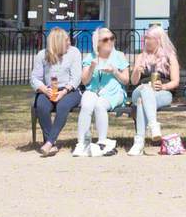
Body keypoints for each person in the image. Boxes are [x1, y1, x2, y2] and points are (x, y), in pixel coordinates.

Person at [74, 27, 129, 157]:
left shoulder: (119, 56)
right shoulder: (90, 57)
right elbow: (85, 81)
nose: (110, 41)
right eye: (105, 39)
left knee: (99, 105)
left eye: (112, 38)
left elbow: (126, 80)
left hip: (114, 92)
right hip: (93, 90)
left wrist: (114, 71)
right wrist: (92, 67)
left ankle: (102, 142)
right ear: (97, 43)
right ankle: (82, 143)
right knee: (86, 105)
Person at [29, 27, 83, 157]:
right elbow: (34, 78)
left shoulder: (74, 53)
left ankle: (49, 142)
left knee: (63, 106)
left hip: (70, 90)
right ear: (57, 42)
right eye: (67, 40)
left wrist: (64, 92)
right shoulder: (42, 55)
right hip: (48, 90)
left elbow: (76, 78)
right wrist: (44, 89)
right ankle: (52, 144)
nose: (69, 43)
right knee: (41, 106)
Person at [128, 24, 180, 156]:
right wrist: (136, 71)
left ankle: (139, 142)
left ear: (158, 39)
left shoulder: (170, 56)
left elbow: (175, 81)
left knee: (141, 102)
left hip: (162, 93)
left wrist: (163, 86)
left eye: (149, 38)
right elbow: (133, 82)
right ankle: (153, 124)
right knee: (144, 90)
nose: (146, 41)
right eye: (145, 38)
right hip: (139, 90)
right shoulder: (141, 56)